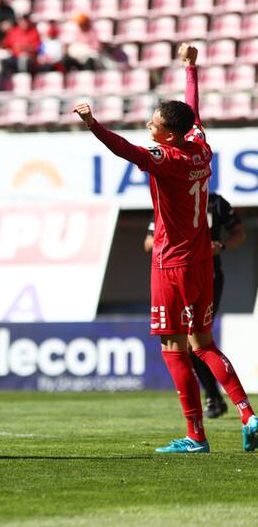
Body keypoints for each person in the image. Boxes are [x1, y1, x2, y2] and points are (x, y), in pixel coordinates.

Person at [74, 43, 258, 453]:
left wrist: (93, 124)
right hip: (202, 260)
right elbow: (193, 112)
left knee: (172, 346)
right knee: (204, 343)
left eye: (154, 123)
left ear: (168, 135)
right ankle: (249, 414)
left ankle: (196, 436)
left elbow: (125, 150)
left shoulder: (166, 159)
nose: (148, 124)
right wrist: (191, 69)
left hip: (171, 263)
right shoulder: (200, 147)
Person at [144, 192, 246, 419]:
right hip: (179, 274)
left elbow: (239, 233)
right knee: (197, 344)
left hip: (207, 276)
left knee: (195, 343)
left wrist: (221, 246)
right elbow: (148, 242)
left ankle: (206, 412)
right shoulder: (169, 201)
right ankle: (225, 403)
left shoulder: (215, 203)